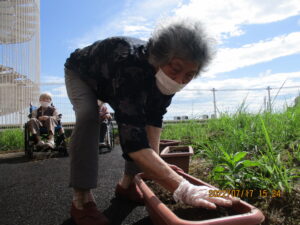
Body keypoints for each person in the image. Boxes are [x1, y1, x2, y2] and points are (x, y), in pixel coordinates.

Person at [65, 18, 234, 225]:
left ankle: (127, 185)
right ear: (160, 58)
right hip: (84, 74)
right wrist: (182, 187)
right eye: (175, 69)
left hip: (113, 81)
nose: (179, 80)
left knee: (139, 121)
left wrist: (158, 168)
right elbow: (133, 139)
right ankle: (81, 200)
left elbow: (153, 121)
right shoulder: (130, 65)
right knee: (89, 116)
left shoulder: (169, 81)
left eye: (189, 75)